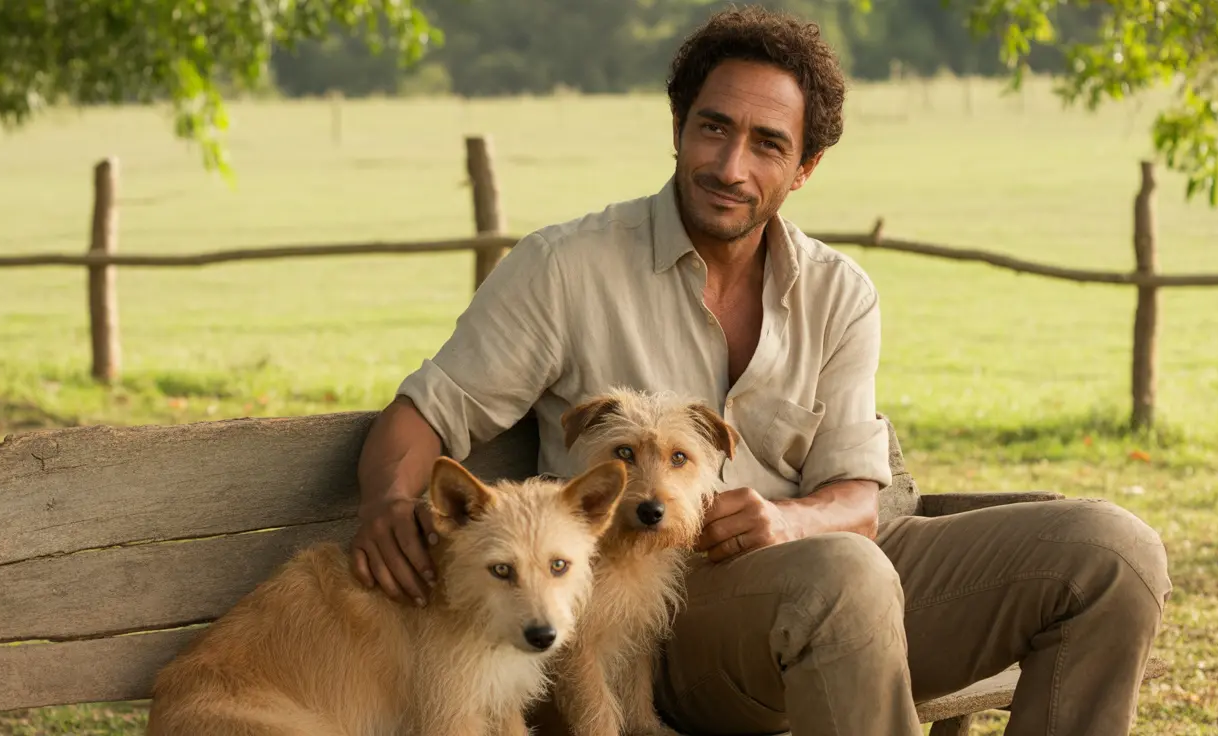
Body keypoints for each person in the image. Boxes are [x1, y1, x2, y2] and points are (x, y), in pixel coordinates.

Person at [349, 5, 1172, 735]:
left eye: (768, 143)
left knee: (1110, 551)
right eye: (713, 128)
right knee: (843, 575)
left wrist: (790, 521)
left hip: (842, 578)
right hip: (657, 615)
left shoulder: (839, 292)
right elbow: (426, 415)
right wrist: (388, 500)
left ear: (804, 167)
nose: (730, 166)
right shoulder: (566, 268)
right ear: (678, 129)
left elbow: (857, 495)